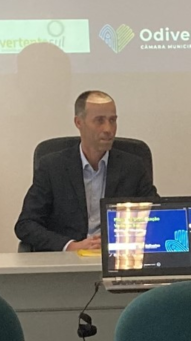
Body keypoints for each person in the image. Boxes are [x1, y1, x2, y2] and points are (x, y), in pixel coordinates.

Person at [15, 90, 158, 251]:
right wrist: (70, 246)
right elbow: (26, 225)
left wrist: (119, 241)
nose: (108, 129)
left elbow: (156, 216)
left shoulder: (133, 166)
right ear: (79, 122)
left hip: (119, 255)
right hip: (69, 258)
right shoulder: (52, 167)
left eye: (112, 120)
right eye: (99, 120)